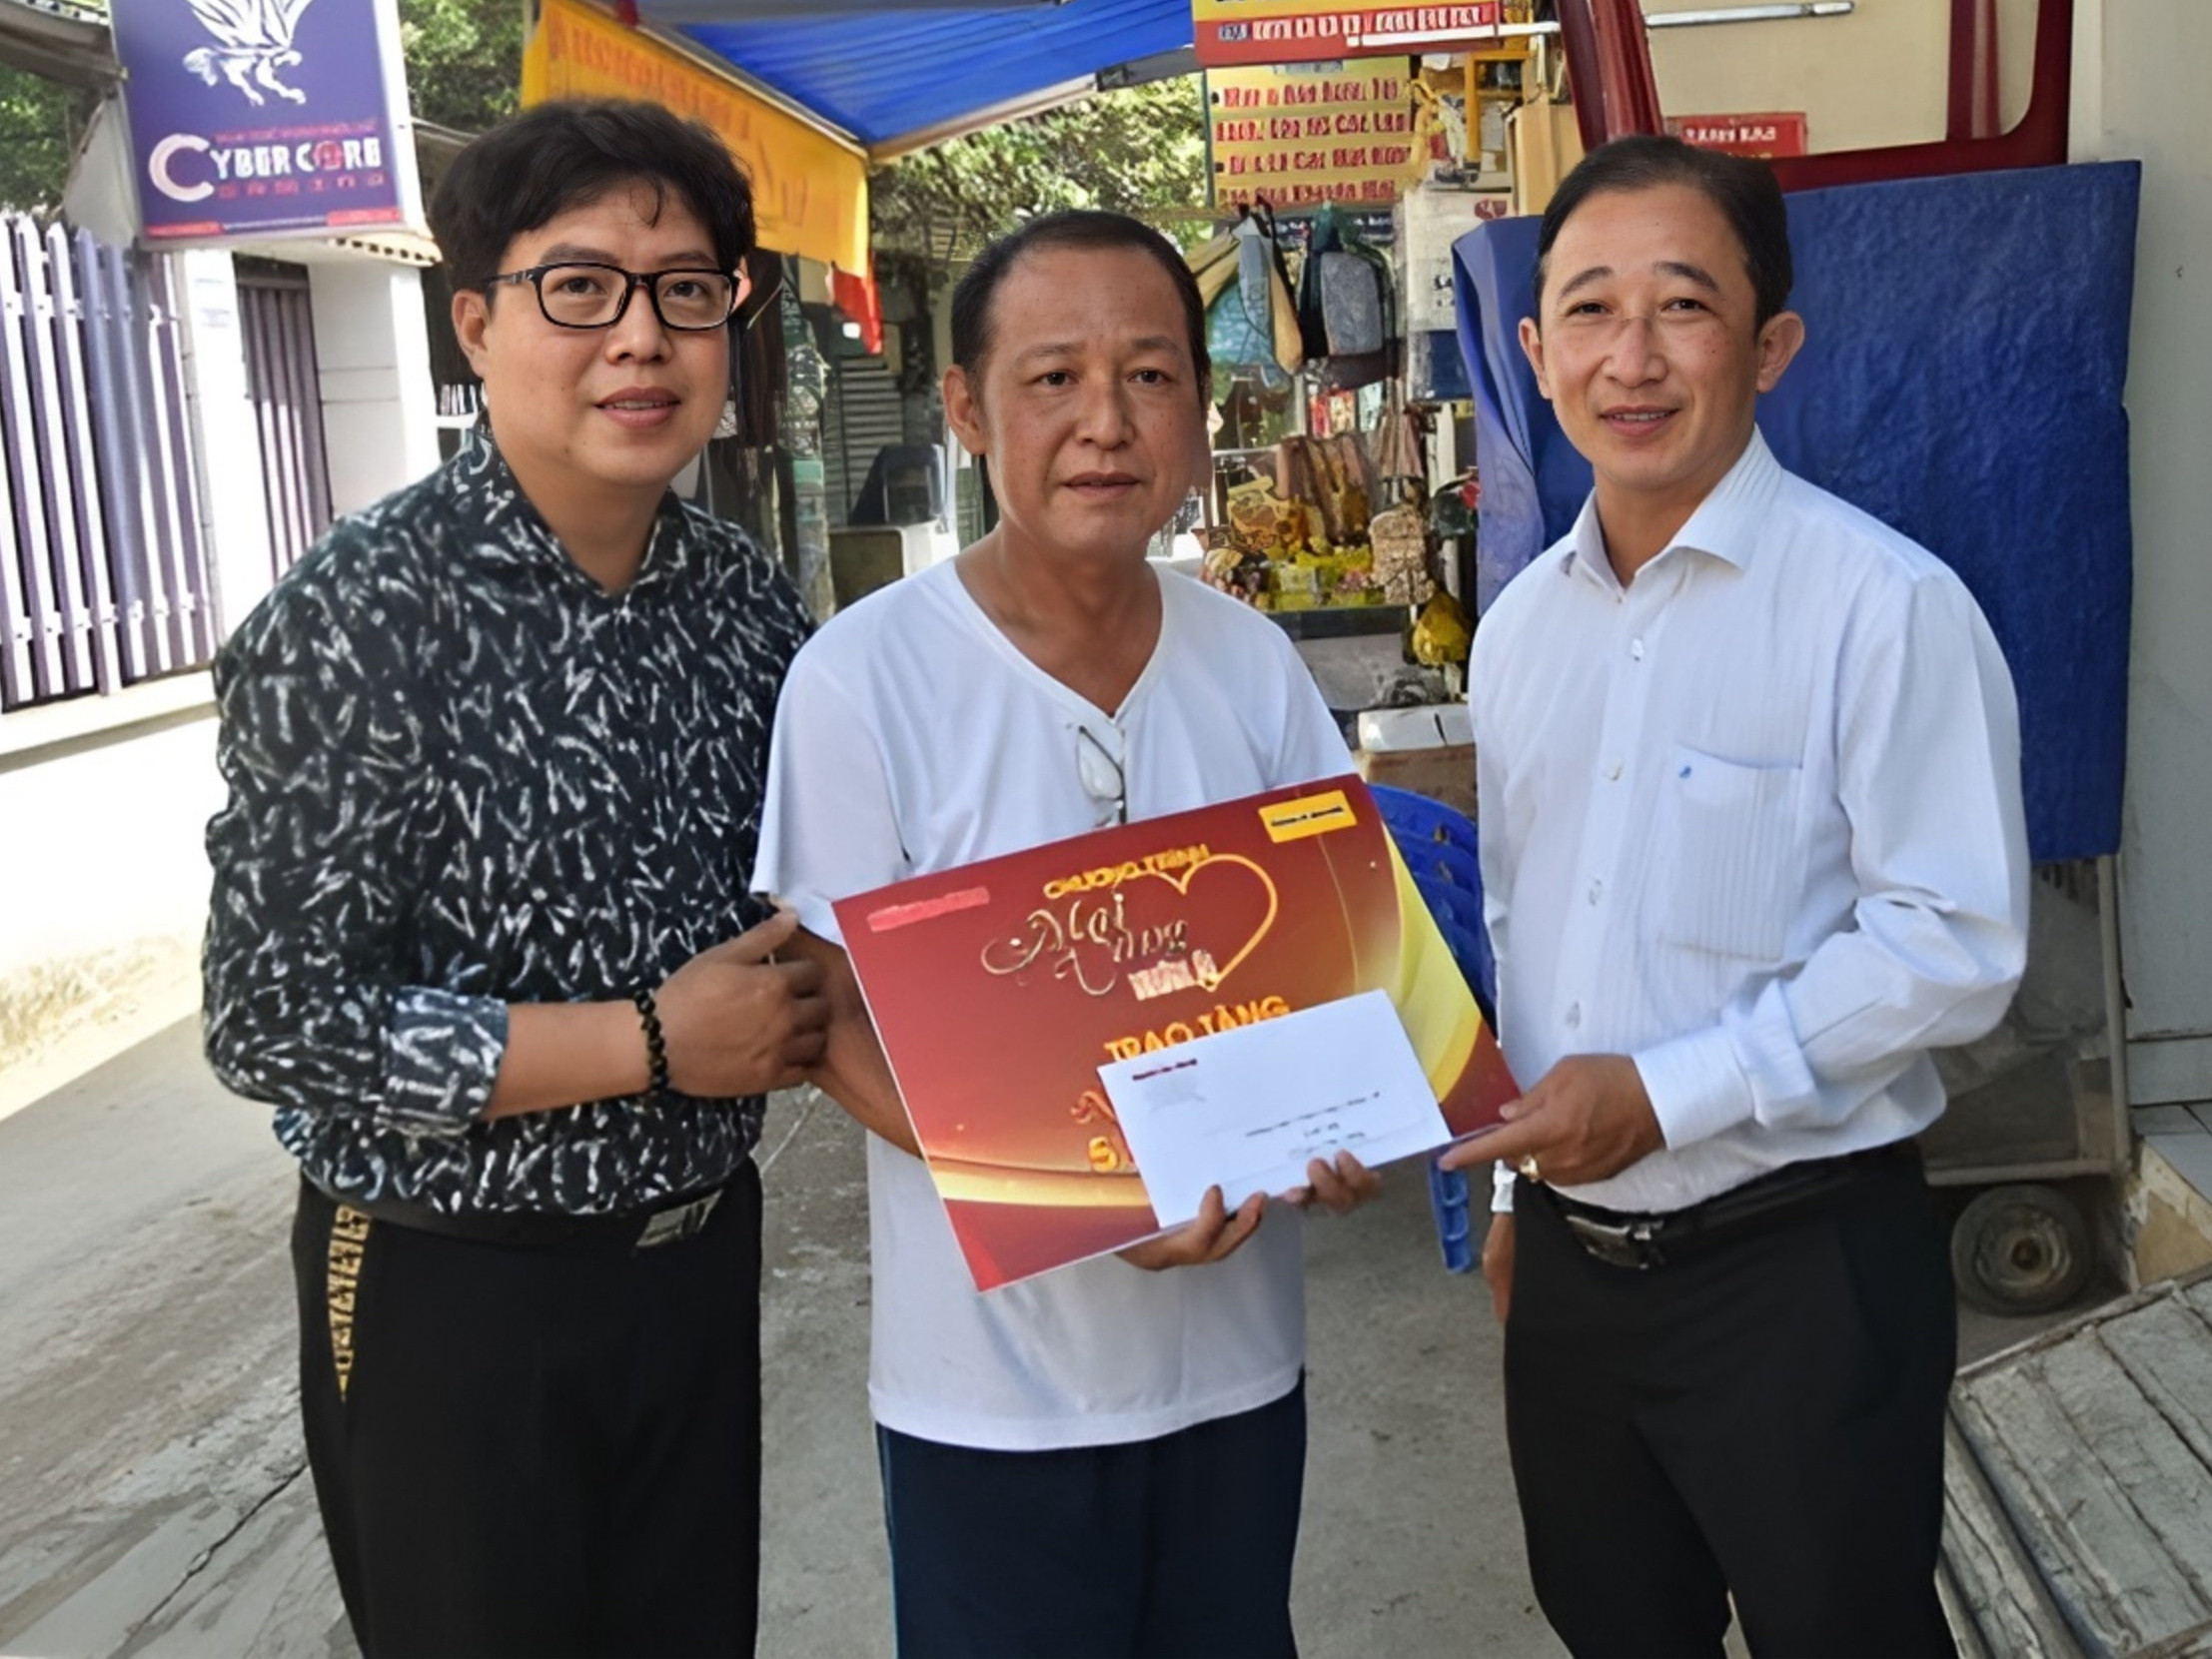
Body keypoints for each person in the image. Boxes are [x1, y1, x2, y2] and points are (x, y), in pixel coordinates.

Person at [201, 99, 821, 1658]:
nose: (642, 335)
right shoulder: (358, 615)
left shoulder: (743, 604)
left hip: (693, 1255)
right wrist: (651, 1041)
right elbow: (273, 1017)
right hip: (448, 1287)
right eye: (580, 286)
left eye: (687, 289)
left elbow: (826, 901)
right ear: (475, 323)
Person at [1439, 134, 2030, 1658]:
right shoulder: (1517, 632)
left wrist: (1667, 1093)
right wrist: (1512, 1197)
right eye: (1588, 309)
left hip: (1800, 1272)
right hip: (1569, 1277)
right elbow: (1520, 929)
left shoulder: (1882, 609)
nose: (1629, 358)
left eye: (1682, 306)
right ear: (1533, 352)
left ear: (1768, 347)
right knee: (1611, 1625)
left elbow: (1953, 942)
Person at [754, 210, 1376, 1658]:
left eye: (1149, 376)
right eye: (1053, 379)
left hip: (1235, 1372)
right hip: (988, 1397)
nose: (1106, 422)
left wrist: (1350, 1118)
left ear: (1198, 408)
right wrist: (1092, 1193)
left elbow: (1340, 965)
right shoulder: (863, 679)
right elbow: (823, 1017)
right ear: (966, 408)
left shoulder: (1250, 663)